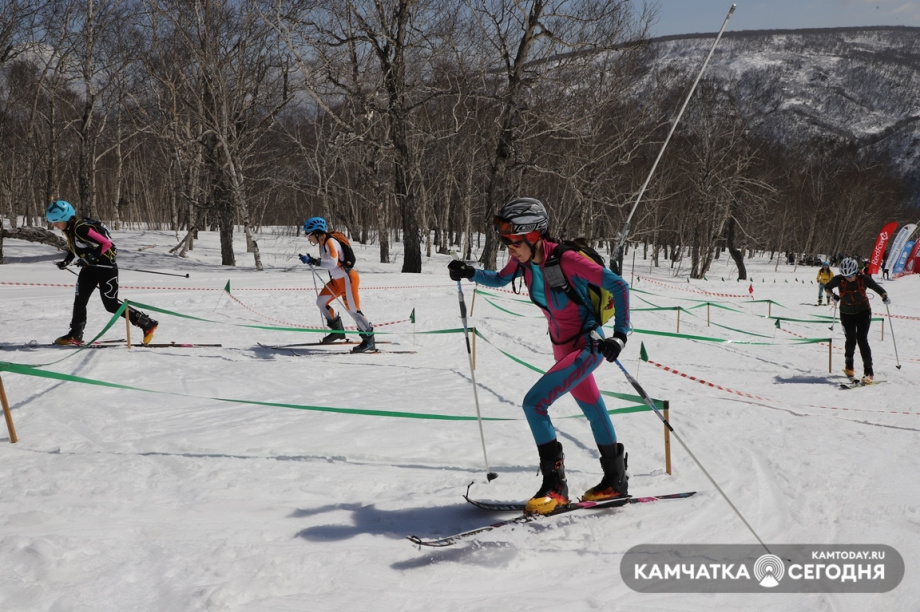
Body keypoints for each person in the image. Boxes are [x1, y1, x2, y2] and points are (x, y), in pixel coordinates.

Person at [447, 197, 631, 515]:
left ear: (533, 235)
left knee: (535, 403)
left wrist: (620, 335)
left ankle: (555, 487)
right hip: (561, 348)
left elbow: (619, 286)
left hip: (587, 347)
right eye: (504, 240)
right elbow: (500, 279)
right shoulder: (523, 261)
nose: (508, 247)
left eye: (512, 240)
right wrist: (470, 273)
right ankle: (615, 481)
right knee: (594, 409)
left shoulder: (568, 260)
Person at [46, 200, 158, 345]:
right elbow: (75, 249)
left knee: (110, 305)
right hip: (89, 270)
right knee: (79, 302)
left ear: (66, 217)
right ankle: (75, 334)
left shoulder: (82, 229)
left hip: (106, 269)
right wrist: (66, 261)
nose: (55, 225)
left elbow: (107, 244)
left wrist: (90, 257)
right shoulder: (69, 229)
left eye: (56, 221)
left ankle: (147, 323)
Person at [299, 217, 375, 353]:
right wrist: (312, 260)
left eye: (308, 234)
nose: (308, 238)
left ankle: (369, 340)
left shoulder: (330, 242)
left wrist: (313, 261)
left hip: (348, 279)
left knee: (353, 310)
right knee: (321, 302)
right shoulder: (323, 243)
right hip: (337, 281)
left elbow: (332, 263)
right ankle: (337, 331)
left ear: (316, 233)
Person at [825, 257, 890, 384]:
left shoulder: (863, 279)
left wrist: (885, 297)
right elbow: (827, 288)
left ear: (855, 271)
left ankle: (868, 371)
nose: (848, 277)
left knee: (862, 338)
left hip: (863, 312)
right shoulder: (839, 279)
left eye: (850, 274)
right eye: (845, 274)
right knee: (850, 339)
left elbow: (879, 289)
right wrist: (833, 295)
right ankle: (849, 366)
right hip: (846, 312)